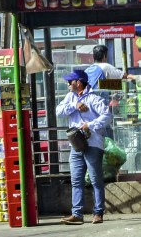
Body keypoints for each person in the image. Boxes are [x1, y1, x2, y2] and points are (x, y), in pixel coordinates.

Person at [57, 68, 112, 225]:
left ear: (78, 83)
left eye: (70, 81)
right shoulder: (70, 97)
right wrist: (75, 104)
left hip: (93, 143)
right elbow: (58, 111)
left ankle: (98, 212)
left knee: (95, 179)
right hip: (76, 145)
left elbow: (107, 116)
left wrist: (91, 125)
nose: (68, 84)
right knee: (76, 180)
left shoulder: (94, 99)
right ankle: (77, 214)